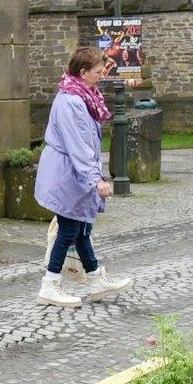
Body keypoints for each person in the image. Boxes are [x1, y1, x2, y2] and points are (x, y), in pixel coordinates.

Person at [33, 46, 135, 307]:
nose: (102, 75)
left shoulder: (81, 96)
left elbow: (86, 144)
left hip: (71, 172)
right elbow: (78, 145)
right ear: (83, 72)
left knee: (79, 228)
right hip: (66, 173)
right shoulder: (72, 101)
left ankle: (94, 278)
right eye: (99, 72)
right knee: (70, 228)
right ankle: (50, 285)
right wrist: (97, 179)